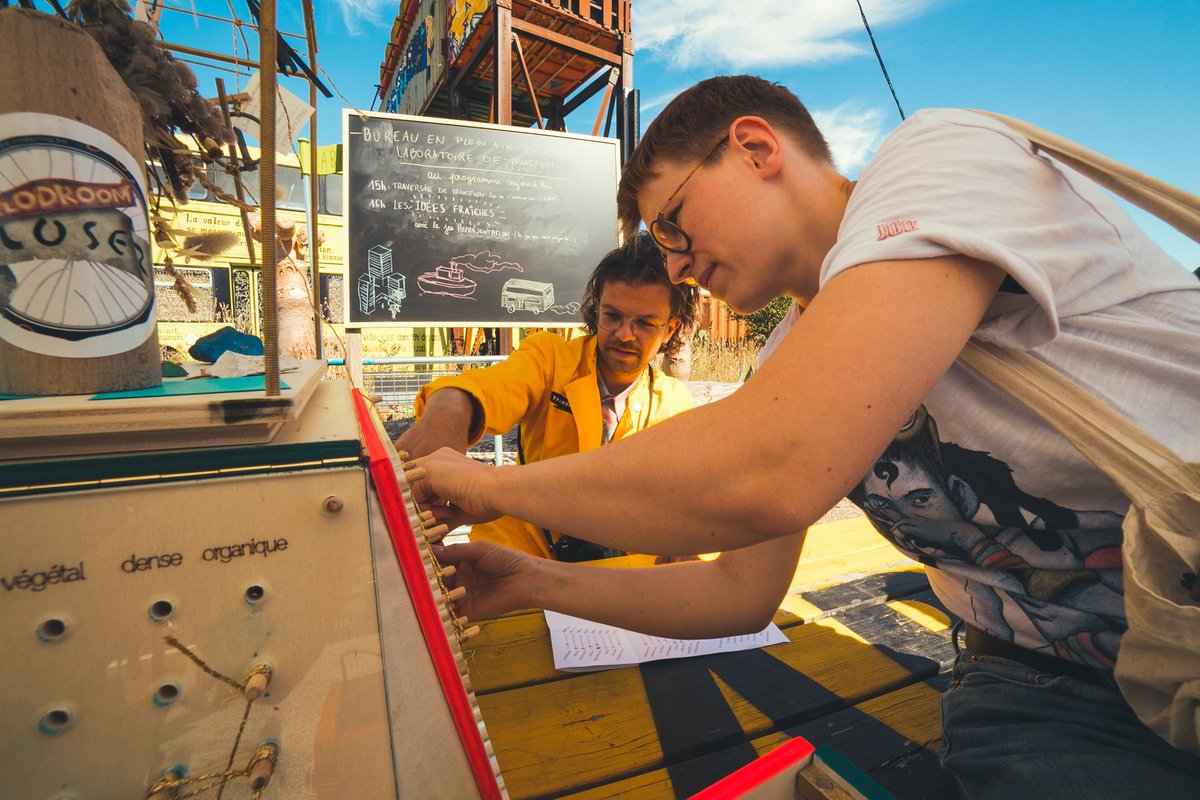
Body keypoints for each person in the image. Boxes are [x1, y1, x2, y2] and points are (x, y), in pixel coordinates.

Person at [411, 76, 1200, 797]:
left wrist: (483, 484)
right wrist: (533, 582)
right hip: (1034, 683)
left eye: (676, 227)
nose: (678, 267)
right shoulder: (789, 363)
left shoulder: (939, 152)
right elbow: (737, 592)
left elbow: (774, 468)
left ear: (756, 148)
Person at [396, 231, 700, 560]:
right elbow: (490, 387)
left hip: (625, 577)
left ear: (670, 328)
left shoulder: (674, 404)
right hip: (521, 550)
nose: (625, 334)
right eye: (612, 316)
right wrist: (450, 407)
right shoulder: (550, 359)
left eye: (645, 323)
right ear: (596, 308)